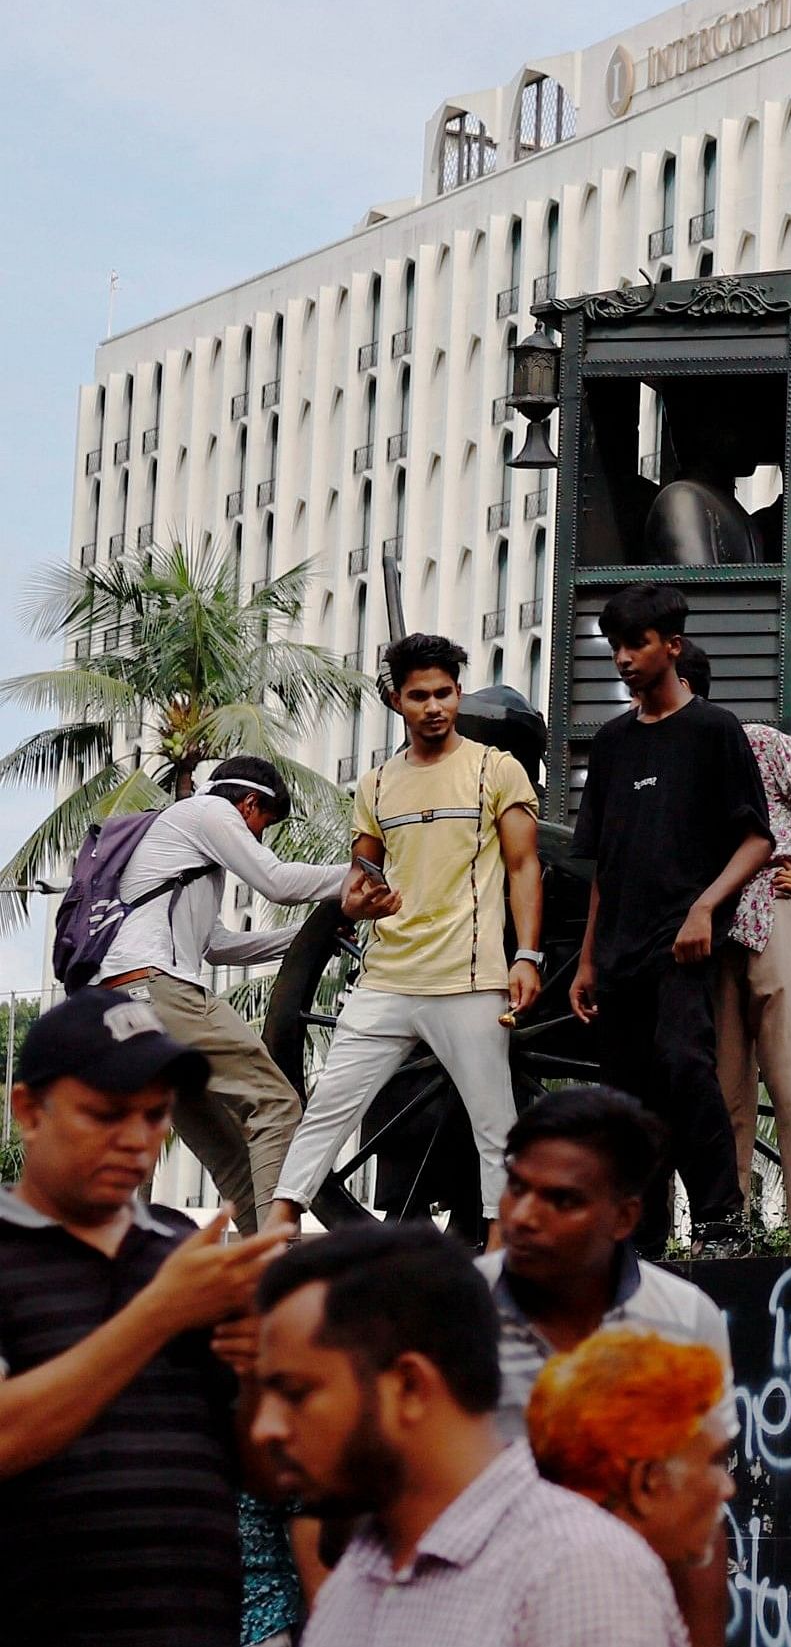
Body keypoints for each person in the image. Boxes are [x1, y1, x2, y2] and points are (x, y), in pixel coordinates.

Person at [0, 994, 293, 1647]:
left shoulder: (180, 1252)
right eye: (105, 1114)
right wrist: (158, 1312)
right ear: (28, 1111)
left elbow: (265, 1478)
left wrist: (252, 1372)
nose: (137, 1140)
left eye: (155, 1115)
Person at [250, 1223, 685, 1647]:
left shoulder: (576, 1576)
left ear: (408, 1387)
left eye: (295, 1393)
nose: (265, 1427)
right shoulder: (359, 1576)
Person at [273, 633, 543, 1234]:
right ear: (398, 700)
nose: (434, 707)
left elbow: (525, 867)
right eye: (419, 696)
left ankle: (499, 1253)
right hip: (387, 980)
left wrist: (527, 955)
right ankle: (277, 1226)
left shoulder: (495, 770)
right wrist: (364, 902)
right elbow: (356, 884)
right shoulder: (375, 786)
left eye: (444, 693)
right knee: (327, 1110)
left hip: (469, 980)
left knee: (495, 1125)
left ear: (458, 693)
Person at [476, 1086, 734, 1645]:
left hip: (622, 1615)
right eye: (516, 1187)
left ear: (624, 1217)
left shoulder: (686, 1322)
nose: (523, 1217)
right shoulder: (454, 1311)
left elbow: (700, 1512)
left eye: (561, 1200)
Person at [93, 754, 395, 1214]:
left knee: (231, 1151)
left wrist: (308, 935)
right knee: (277, 1104)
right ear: (250, 803)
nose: (256, 838)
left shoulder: (182, 846)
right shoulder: (209, 812)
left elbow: (217, 946)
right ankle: (280, 1254)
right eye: (262, 826)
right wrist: (360, 874)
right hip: (159, 989)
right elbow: (275, 881)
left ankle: (260, 1271)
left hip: (124, 1006)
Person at [570, 581, 772, 1247]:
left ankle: (720, 1221)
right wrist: (588, 958)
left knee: (685, 1068)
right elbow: (604, 862)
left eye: (637, 643)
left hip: (682, 950)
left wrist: (704, 909)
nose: (624, 657)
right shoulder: (611, 743)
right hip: (618, 954)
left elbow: (757, 840)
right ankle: (641, 1236)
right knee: (626, 1102)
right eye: (616, 646)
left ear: (672, 646)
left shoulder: (714, 730)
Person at [673, 642, 791, 1247]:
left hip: (776, 908)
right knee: (723, 1091)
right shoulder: (671, 756)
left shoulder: (755, 740)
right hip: (711, 930)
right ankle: (725, 1233)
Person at [523, 1328, 736, 1577]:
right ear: (647, 1482)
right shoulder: (609, 1585)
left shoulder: (544, 1556)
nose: (728, 1488)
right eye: (715, 1462)